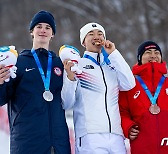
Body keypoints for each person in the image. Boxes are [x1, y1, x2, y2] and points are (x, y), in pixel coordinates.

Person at [0, 10, 71, 154]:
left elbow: (69, 100)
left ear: (53, 34)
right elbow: (1, 98)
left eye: (48, 27)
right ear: (32, 32)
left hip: (58, 143)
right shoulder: (18, 62)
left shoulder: (61, 64)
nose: (43, 30)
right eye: (39, 26)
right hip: (27, 142)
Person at [61, 22, 136, 154]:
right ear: (83, 42)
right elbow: (66, 103)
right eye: (91, 34)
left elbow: (129, 83)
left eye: (100, 34)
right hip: (90, 135)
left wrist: (113, 53)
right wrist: (70, 79)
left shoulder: (112, 65)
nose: (96, 36)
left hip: (116, 135)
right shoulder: (77, 65)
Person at [119, 40, 168, 154]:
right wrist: (128, 127)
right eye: (148, 52)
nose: (153, 55)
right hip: (143, 148)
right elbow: (121, 112)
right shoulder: (129, 86)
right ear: (139, 58)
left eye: (157, 52)